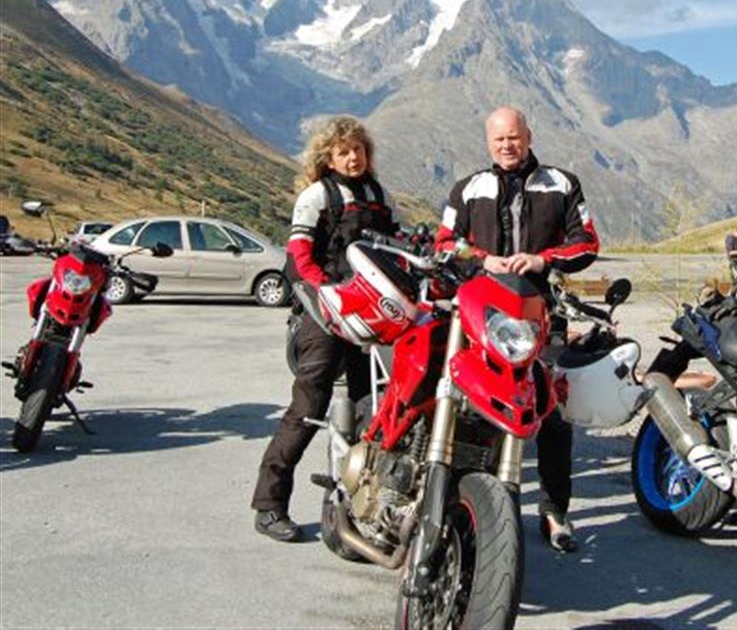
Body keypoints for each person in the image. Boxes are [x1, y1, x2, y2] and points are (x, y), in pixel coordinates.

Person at [434, 106, 599, 552]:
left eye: (514, 137)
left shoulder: (562, 183)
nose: (507, 145)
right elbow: (444, 243)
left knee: (554, 414)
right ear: (488, 142)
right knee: (474, 406)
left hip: (541, 311)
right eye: (499, 139)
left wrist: (543, 260)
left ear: (528, 136)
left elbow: (587, 242)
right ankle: (471, 509)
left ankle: (555, 511)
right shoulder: (468, 188)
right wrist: (482, 260)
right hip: (480, 316)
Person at [251, 116, 398, 542]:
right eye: (343, 152)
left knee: (375, 409)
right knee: (308, 406)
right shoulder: (317, 196)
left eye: (359, 150)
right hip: (324, 315)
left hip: (371, 315)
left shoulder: (379, 195)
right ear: (328, 158)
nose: (353, 158)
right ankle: (269, 505)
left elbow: (397, 246)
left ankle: (363, 508)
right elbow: (299, 257)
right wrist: (326, 295)